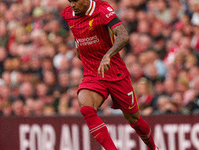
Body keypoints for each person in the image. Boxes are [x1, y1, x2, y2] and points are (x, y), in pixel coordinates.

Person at [62, 0, 159, 149]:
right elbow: (77, 35)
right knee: (86, 109)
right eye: (70, 1)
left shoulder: (102, 9)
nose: (73, 4)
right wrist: (80, 48)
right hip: (93, 74)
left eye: (76, 0)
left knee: (135, 120)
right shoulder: (68, 14)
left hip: (116, 73)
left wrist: (108, 55)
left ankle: (153, 147)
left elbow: (123, 35)